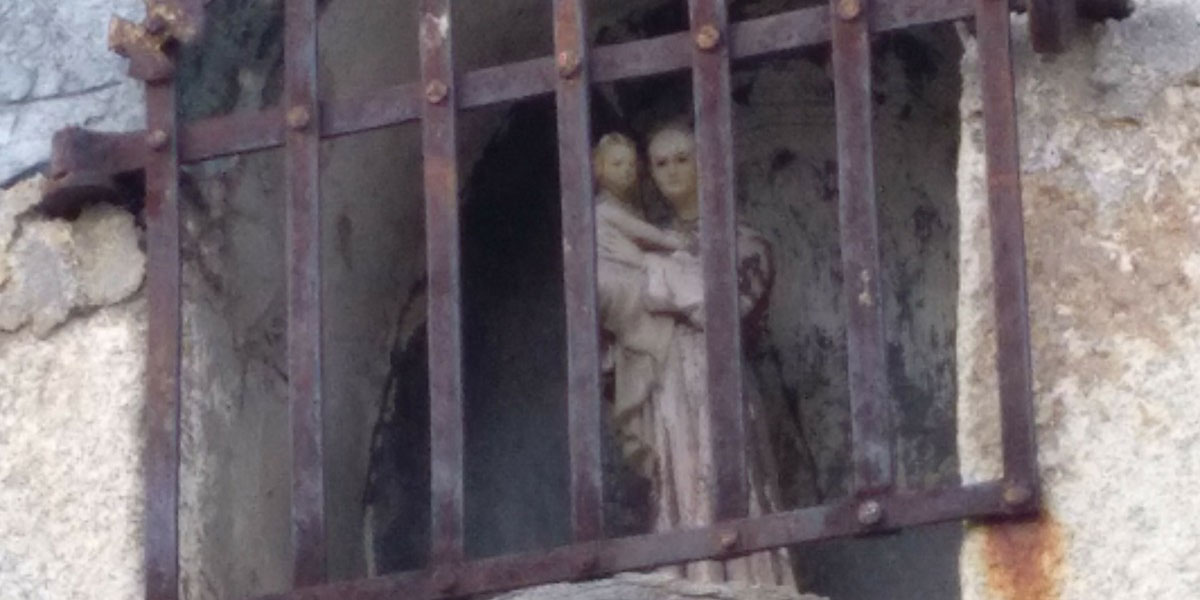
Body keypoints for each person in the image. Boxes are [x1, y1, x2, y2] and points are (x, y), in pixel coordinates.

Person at [595, 123, 794, 587]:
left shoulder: (741, 239)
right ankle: (687, 577)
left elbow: (728, 307)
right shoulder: (648, 240)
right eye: (660, 163)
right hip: (663, 377)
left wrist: (652, 278)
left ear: (706, 163)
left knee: (729, 475)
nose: (671, 171)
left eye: (683, 159)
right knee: (677, 476)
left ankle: (748, 581)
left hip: (715, 374)